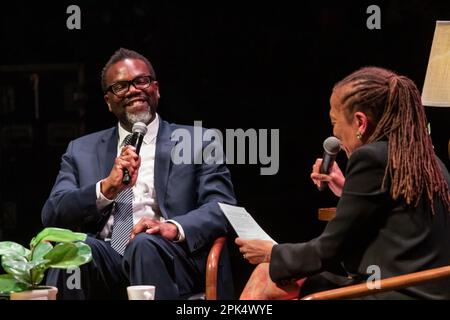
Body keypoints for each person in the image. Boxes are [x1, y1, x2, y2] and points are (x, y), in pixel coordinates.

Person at [236, 66, 450, 299]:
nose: (335, 134)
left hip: (389, 291)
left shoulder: (371, 157)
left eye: (335, 121)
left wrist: (272, 253)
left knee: (265, 275)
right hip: (419, 290)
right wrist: (347, 187)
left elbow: (326, 252)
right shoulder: (428, 161)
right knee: (270, 277)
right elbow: (395, 217)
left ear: (360, 122)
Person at [42, 48, 236, 300]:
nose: (134, 90)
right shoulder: (81, 150)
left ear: (155, 88)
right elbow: (53, 213)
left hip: (169, 257)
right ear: (108, 101)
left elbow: (222, 207)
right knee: (73, 248)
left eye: (141, 81)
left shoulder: (198, 141)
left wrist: (172, 227)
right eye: (120, 86)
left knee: (144, 244)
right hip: (105, 259)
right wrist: (106, 189)